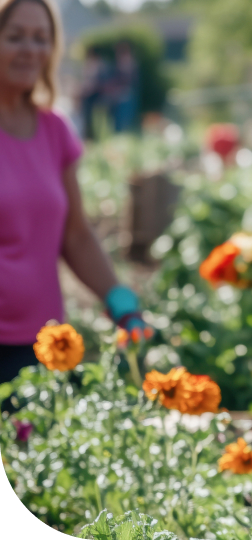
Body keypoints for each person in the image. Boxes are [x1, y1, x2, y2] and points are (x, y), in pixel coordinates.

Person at [0, 0, 145, 383]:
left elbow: (75, 233)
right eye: (15, 37)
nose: (30, 50)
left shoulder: (53, 130)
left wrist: (116, 297)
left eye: (40, 39)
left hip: (43, 343)